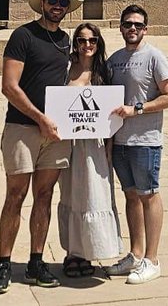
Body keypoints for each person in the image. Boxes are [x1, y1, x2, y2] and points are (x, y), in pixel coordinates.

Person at [0, 0, 81, 294]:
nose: (58, 7)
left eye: (63, 3)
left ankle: (36, 260)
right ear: (42, 3)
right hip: (23, 127)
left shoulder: (65, 41)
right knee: (15, 195)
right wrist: (40, 118)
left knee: (44, 195)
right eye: (53, 1)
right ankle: (4, 263)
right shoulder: (23, 36)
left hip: (55, 132)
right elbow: (9, 86)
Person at [104, 4, 168, 284]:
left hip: (145, 140)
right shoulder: (114, 60)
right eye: (127, 24)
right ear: (121, 27)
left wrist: (137, 108)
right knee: (131, 196)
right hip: (120, 141)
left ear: (145, 29)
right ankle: (135, 255)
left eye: (137, 24)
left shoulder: (154, 56)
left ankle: (152, 259)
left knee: (149, 195)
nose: (132, 28)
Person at [58, 23, 122, 278]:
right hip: (68, 142)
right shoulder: (64, 68)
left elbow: (113, 110)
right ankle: (72, 252)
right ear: (75, 42)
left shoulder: (104, 71)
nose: (87, 45)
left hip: (95, 145)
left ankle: (89, 250)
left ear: (98, 43)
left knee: (94, 196)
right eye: (82, 40)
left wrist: (110, 144)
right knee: (71, 194)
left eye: (92, 40)